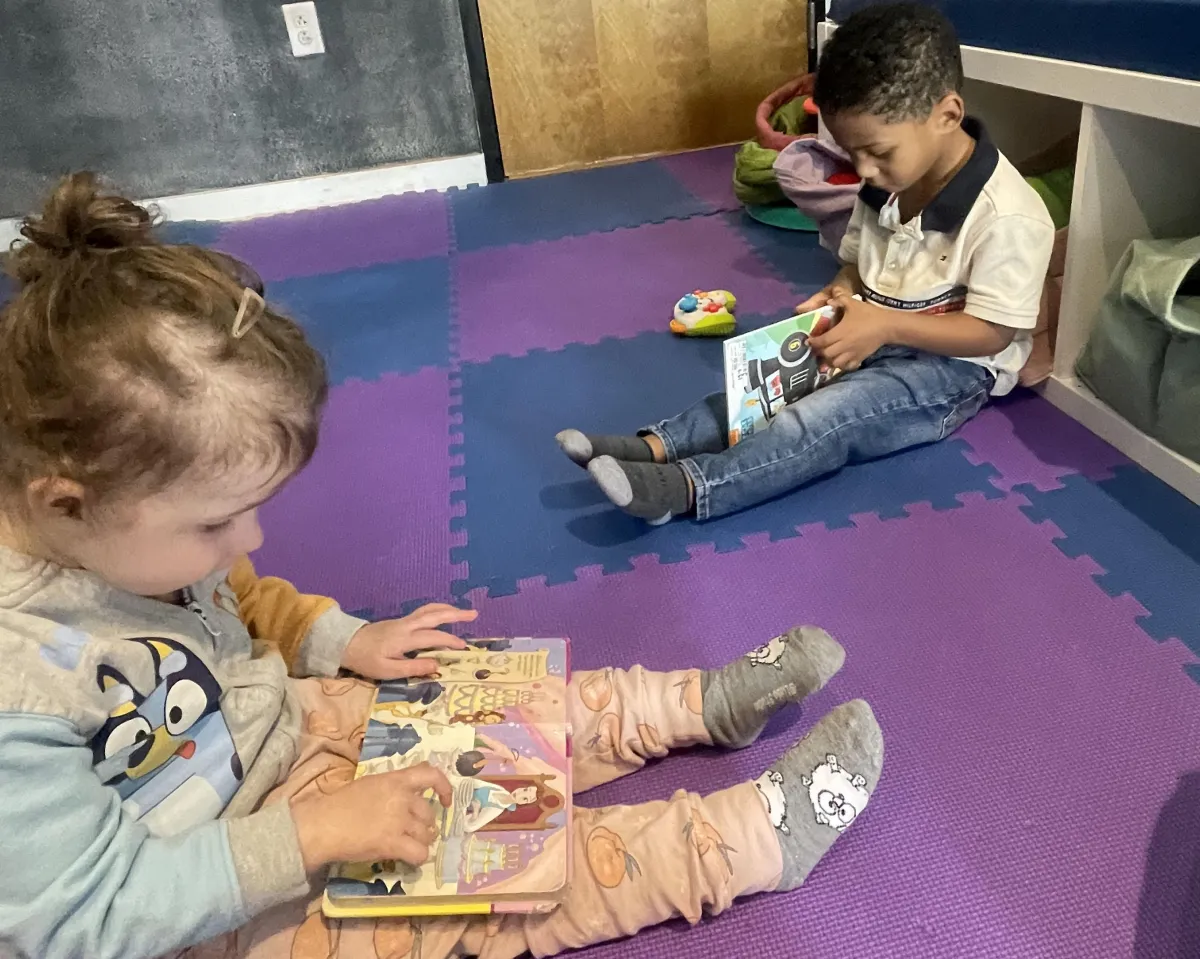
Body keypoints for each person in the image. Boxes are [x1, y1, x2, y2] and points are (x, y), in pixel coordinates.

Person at [0, 174, 883, 959]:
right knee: (495, 891)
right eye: (217, 520)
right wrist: (309, 834)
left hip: (283, 730)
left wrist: (348, 639)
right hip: (215, 907)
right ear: (63, 497)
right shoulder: (18, 694)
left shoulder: (123, 530)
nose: (252, 541)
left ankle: (694, 707)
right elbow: (86, 916)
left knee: (473, 691)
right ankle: (744, 841)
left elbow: (236, 597)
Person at [556, 2, 1056, 524]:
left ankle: (685, 488)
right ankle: (655, 446)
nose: (863, 169)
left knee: (821, 418)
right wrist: (842, 292)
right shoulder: (887, 181)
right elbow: (858, 265)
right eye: (851, 151)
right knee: (763, 385)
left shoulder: (1009, 216)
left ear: (947, 115)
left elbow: (994, 333)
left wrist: (883, 324)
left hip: (950, 371)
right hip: (875, 330)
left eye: (877, 152)